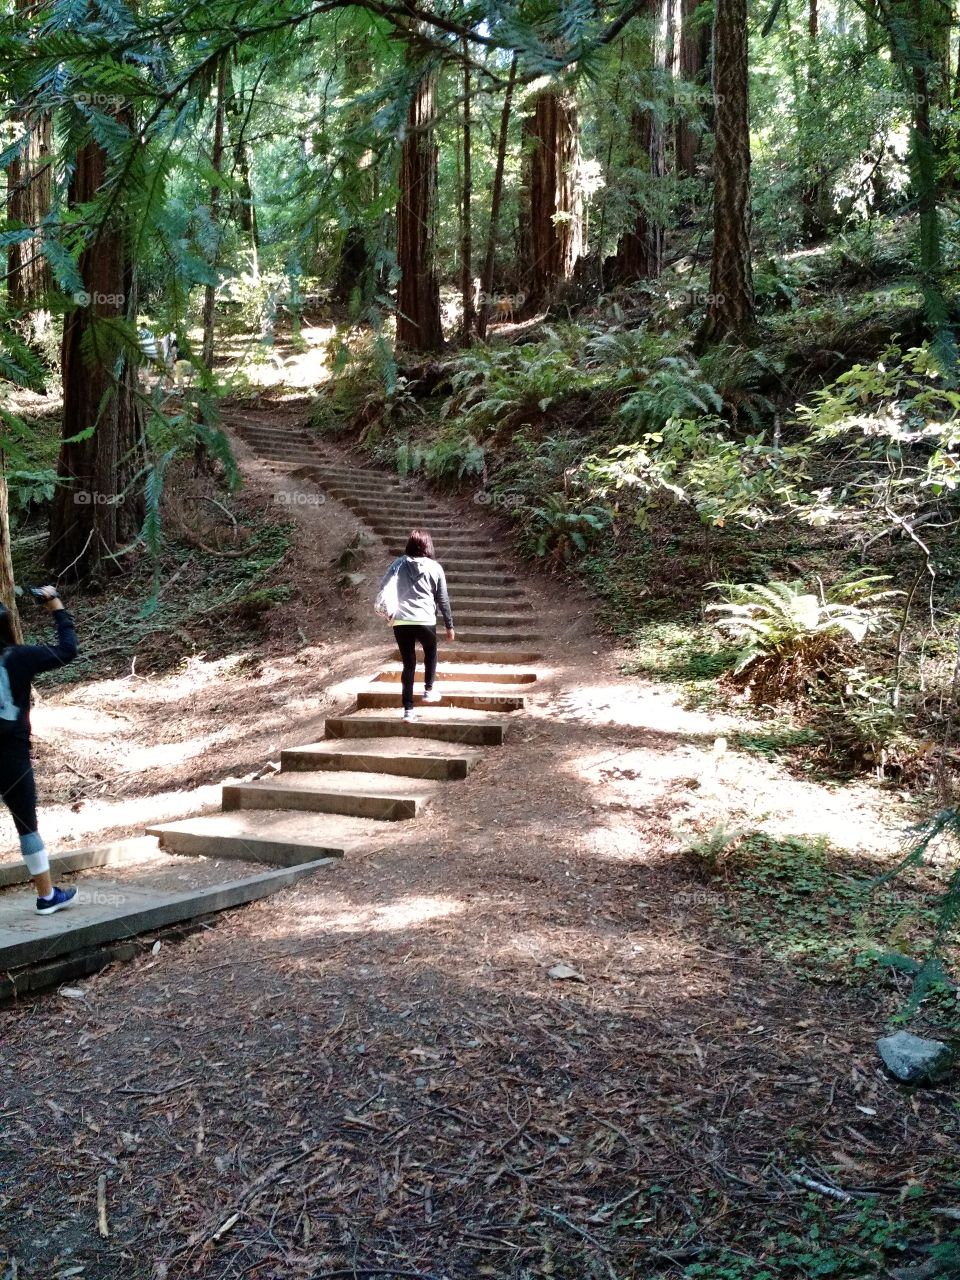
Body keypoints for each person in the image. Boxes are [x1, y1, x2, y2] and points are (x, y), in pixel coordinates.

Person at [0, 586, 79, 913]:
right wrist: (55, 605)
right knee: (26, 824)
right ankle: (46, 896)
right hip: (12, 756)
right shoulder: (20, 657)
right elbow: (67, 650)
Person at [379, 530, 455, 722]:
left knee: (408, 664)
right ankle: (429, 690)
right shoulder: (435, 567)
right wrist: (449, 625)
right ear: (428, 546)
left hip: (402, 620)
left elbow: (384, 586)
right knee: (431, 651)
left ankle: (408, 711)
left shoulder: (398, 564)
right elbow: (443, 599)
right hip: (425, 620)